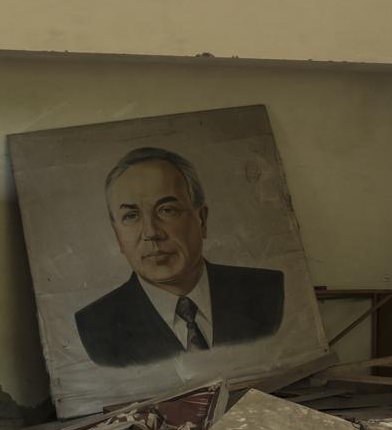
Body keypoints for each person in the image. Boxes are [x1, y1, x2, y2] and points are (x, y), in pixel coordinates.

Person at [75, 147, 284, 368]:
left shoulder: (268, 291)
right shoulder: (95, 326)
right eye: (131, 216)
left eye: (167, 210)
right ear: (117, 235)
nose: (151, 232)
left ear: (201, 220)